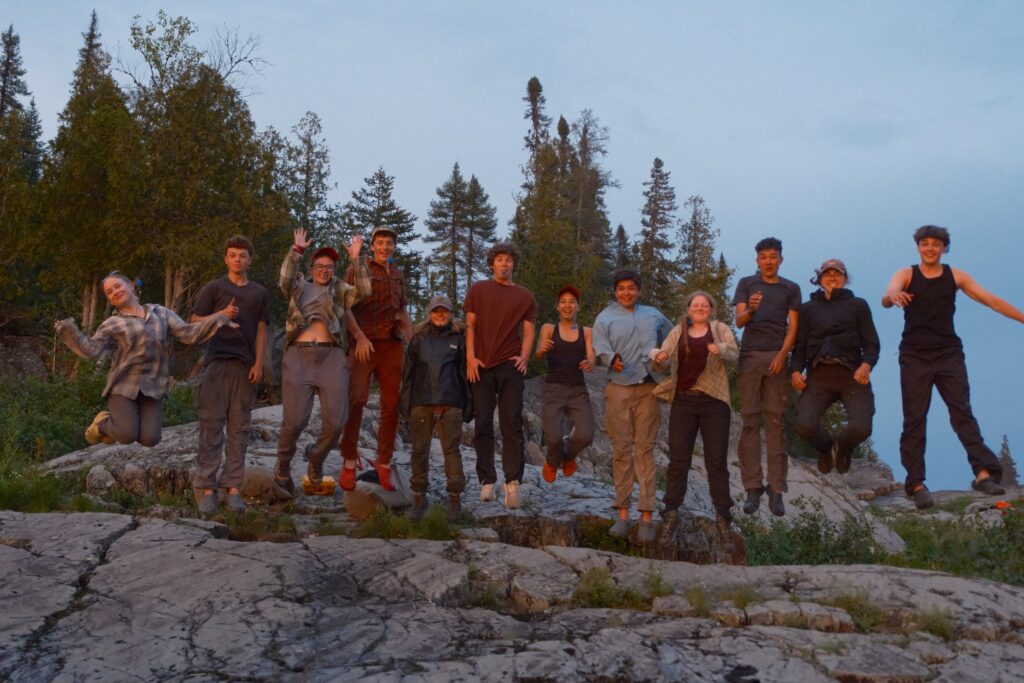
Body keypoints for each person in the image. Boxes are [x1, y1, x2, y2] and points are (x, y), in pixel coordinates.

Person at [882, 225, 1024, 509]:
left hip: (948, 354)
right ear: (918, 247)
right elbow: (888, 295)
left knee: (961, 412)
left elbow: (991, 301)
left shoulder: (955, 276)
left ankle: (984, 474)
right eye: (925, 244)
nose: (930, 248)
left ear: (945, 248)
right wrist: (894, 297)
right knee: (915, 418)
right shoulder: (907, 274)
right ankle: (917, 483)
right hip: (914, 356)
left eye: (936, 244)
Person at [54, 272, 232, 448]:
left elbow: (188, 333)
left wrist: (219, 319)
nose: (115, 291)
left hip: (154, 386)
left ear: (131, 286)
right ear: (110, 300)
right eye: (109, 292)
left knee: (150, 439)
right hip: (123, 386)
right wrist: (68, 332)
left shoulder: (160, 313)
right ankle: (102, 424)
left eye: (117, 286)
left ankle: (118, 427)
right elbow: (91, 351)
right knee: (126, 434)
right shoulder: (112, 324)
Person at [274, 228, 369, 496]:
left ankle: (315, 460)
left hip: (331, 356)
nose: (324, 270)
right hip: (299, 355)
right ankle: (283, 465)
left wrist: (356, 260)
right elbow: (284, 278)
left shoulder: (340, 289)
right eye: (319, 266)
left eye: (329, 266)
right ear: (312, 267)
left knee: (337, 421)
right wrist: (296, 251)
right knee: (294, 421)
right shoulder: (298, 287)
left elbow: (364, 290)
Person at [190, 235, 270, 514]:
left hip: (244, 364)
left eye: (243, 255)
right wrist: (221, 314)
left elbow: (262, 329)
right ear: (226, 258)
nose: (238, 259)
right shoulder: (214, 288)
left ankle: (233, 488)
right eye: (233, 254)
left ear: (250, 259)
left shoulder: (259, 293)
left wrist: (259, 364)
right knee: (211, 426)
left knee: (239, 428)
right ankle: (207, 487)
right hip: (215, 363)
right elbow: (193, 322)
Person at [651, 291, 739, 545]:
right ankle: (670, 513)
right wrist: (658, 357)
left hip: (714, 402)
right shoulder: (678, 331)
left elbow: (734, 354)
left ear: (711, 309)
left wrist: (719, 348)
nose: (700, 308)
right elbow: (662, 360)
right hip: (684, 401)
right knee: (678, 459)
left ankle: (723, 519)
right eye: (695, 305)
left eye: (704, 305)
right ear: (688, 309)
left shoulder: (719, 328)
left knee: (716, 461)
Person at [592, 270, 672, 542]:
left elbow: (672, 340)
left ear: (639, 290)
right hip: (618, 389)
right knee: (622, 451)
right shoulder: (605, 317)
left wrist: (665, 360)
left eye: (631, 288)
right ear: (615, 291)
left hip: (649, 388)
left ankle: (647, 514)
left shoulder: (654, 315)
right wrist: (609, 358)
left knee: (645, 450)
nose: (626, 292)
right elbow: (599, 349)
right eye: (621, 288)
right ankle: (623, 514)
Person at [339, 225, 413, 492]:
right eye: (380, 242)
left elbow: (402, 311)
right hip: (363, 344)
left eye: (389, 243)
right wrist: (358, 337)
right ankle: (348, 461)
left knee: (391, 404)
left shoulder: (397, 274)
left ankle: (383, 463)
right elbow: (344, 307)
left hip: (391, 346)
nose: (385, 247)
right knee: (356, 400)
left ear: (394, 247)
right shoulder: (358, 268)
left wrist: (412, 341)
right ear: (372, 246)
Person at [464, 242, 537, 509]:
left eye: (508, 260)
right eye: (499, 260)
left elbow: (529, 331)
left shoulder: (524, 296)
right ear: (492, 263)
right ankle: (486, 481)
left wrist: (525, 356)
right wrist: (470, 357)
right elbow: (470, 326)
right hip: (481, 364)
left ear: (514, 264)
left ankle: (512, 483)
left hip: (510, 365)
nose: (504, 264)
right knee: (482, 422)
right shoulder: (478, 290)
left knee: (511, 424)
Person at [790, 259, 879, 476]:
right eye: (827, 274)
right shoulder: (807, 309)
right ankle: (826, 447)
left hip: (852, 374)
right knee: (804, 426)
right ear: (819, 279)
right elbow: (799, 346)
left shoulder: (859, 306)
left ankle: (844, 447)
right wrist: (794, 371)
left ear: (845, 278)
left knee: (861, 427)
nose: (832, 277)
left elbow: (871, 344)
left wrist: (866, 365)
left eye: (837, 274)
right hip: (819, 375)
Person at [733, 237, 801, 517]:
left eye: (773, 256)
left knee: (775, 421)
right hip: (750, 356)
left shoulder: (790, 288)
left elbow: (794, 326)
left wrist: (782, 355)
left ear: (780, 259)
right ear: (757, 260)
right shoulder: (746, 284)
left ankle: (776, 489)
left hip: (776, 356)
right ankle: (752, 488)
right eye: (763, 256)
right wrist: (751, 308)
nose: (768, 261)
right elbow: (738, 321)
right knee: (749, 420)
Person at [398, 294, 468, 522]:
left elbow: (465, 373)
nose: (440, 314)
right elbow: (408, 373)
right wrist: (405, 403)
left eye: (444, 310)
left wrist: (468, 405)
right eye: (436, 310)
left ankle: (455, 499)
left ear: (450, 313)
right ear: (429, 313)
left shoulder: (459, 339)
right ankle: (419, 496)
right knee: (419, 450)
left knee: (452, 451)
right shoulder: (418, 340)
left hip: (451, 402)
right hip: (421, 401)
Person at [534, 285, 596, 483]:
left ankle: (568, 455)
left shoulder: (587, 331)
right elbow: (537, 355)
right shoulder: (548, 328)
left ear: (578, 306)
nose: (567, 305)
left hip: (578, 390)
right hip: (553, 389)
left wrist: (590, 362)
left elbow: (592, 358)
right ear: (557, 307)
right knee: (553, 438)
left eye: (572, 302)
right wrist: (541, 349)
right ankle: (552, 462)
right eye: (563, 302)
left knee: (586, 435)